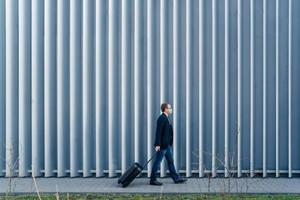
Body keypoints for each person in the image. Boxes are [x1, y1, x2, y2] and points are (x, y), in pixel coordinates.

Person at [150, 103, 187, 186]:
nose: (171, 109)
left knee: (170, 161)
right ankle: (152, 180)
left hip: (167, 145)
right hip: (162, 145)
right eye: (170, 108)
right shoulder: (162, 118)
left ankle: (176, 178)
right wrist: (157, 144)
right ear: (165, 109)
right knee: (157, 162)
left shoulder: (166, 118)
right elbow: (158, 132)